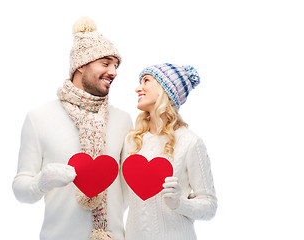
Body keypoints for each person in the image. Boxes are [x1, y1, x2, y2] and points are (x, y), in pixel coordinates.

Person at [12, 17, 132, 240]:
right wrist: (42, 182)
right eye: (105, 63)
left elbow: (131, 191)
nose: (114, 72)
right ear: (80, 65)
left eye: (116, 65)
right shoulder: (40, 117)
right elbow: (20, 189)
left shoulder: (123, 120)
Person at [123, 63, 217, 240]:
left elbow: (210, 207)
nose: (138, 88)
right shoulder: (131, 141)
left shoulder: (190, 142)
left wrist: (179, 203)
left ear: (164, 89)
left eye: (146, 81)